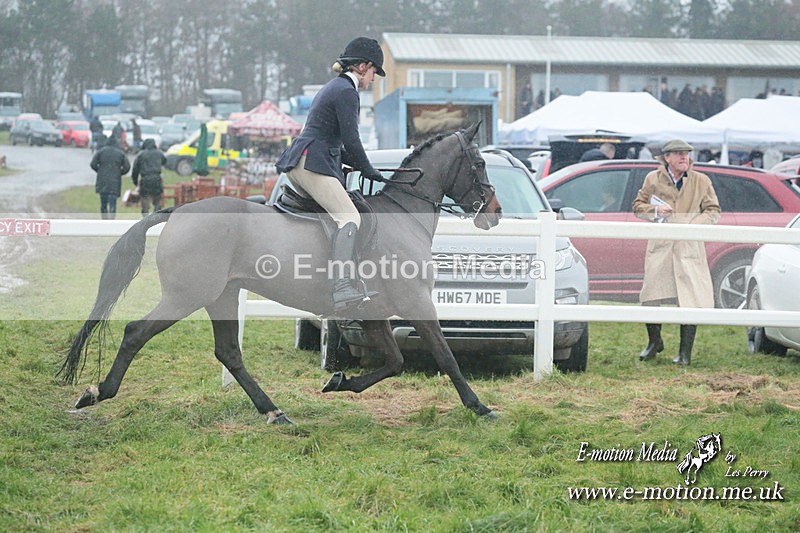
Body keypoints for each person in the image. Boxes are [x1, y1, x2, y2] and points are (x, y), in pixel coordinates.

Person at [275, 36, 385, 312]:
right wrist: (368, 168)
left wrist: (363, 166)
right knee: (349, 216)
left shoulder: (335, 87)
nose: (373, 79)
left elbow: (336, 142)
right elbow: (351, 139)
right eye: (374, 72)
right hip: (313, 162)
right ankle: (342, 287)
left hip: (305, 160)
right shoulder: (347, 91)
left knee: (332, 217)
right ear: (362, 66)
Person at [632, 139, 721, 365]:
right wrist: (655, 209)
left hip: (689, 247)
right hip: (661, 245)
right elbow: (638, 206)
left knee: (689, 298)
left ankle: (684, 353)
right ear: (667, 158)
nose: (684, 157)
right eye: (679, 154)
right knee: (651, 295)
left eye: (687, 153)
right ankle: (654, 341)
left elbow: (713, 210)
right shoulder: (652, 178)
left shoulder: (702, 180)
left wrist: (693, 226)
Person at [90, 137, 131, 220]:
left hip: (103, 180)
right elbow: (127, 166)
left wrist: (99, 171)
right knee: (113, 203)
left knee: (103, 203)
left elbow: (93, 164)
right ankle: (112, 220)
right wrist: (120, 172)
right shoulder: (120, 153)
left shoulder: (101, 152)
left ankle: (104, 220)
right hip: (115, 181)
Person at [131, 138, 166, 216]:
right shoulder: (159, 153)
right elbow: (164, 161)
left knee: (145, 199)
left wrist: (135, 181)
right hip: (156, 179)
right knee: (157, 199)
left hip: (145, 180)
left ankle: (145, 215)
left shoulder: (141, 154)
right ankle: (156, 213)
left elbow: (135, 169)